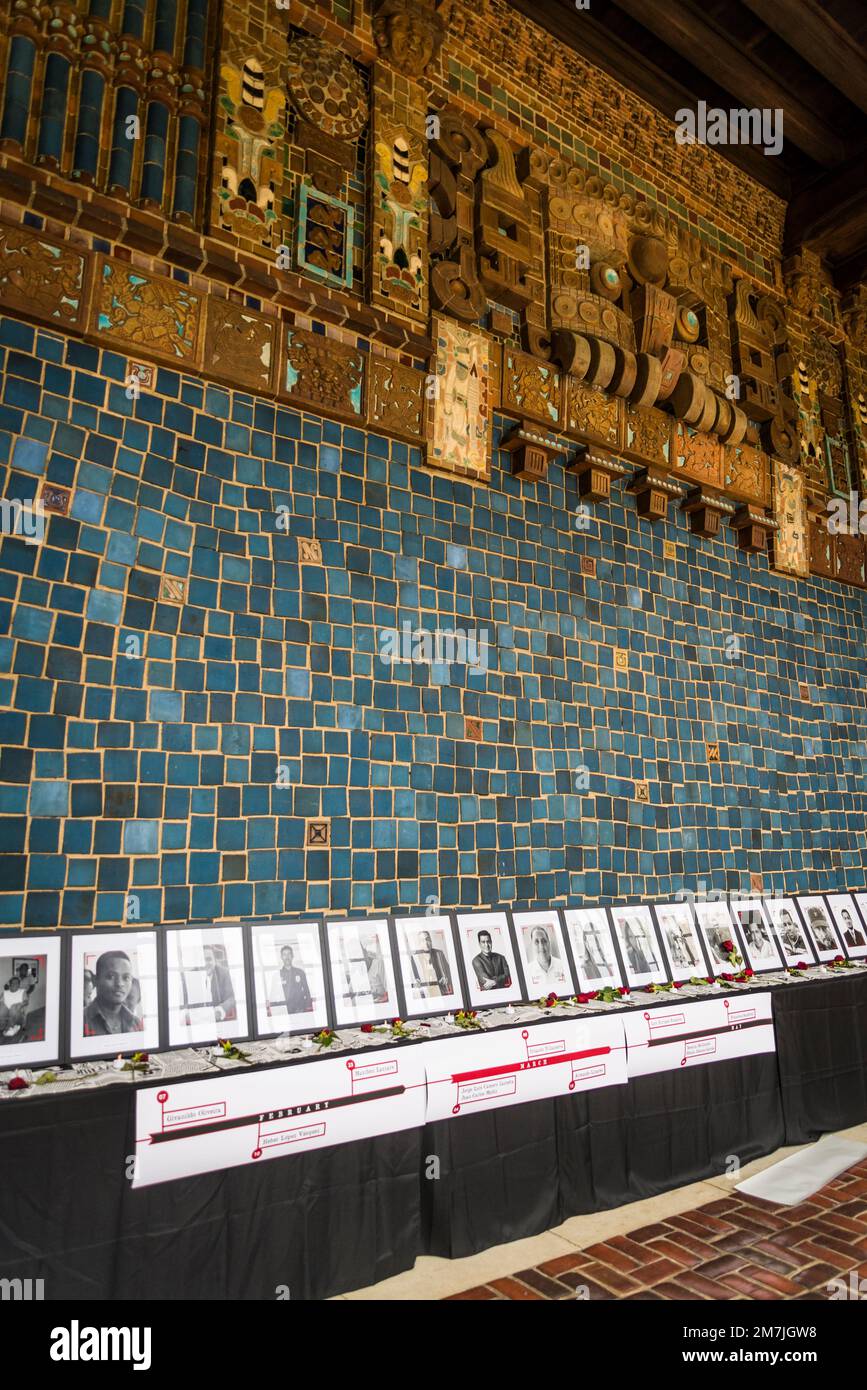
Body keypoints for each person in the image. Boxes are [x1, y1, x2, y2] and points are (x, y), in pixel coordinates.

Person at [83, 951, 143, 1037]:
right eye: (111, 976)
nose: (119, 984)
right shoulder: (81, 1019)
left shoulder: (136, 1023)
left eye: (126, 977)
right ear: (96, 980)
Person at [524, 925, 566, 992]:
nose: (541, 946)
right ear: (532, 945)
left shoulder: (563, 965)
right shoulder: (527, 971)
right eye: (536, 942)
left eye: (544, 941)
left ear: (549, 943)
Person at [410, 931, 452, 996]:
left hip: (440, 990)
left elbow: (449, 972)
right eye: (422, 941)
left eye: (427, 939)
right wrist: (416, 981)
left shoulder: (439, 953)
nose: (426, 943)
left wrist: (446, 977)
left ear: (431, 940)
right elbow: (413, 977)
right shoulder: (415, 957)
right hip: (425, 992)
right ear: (419, 943)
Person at [203, 945, 236, 1022]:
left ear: (215, 960)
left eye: (209, 959)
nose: (205, 963)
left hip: (218, 1019)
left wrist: (219, 1010)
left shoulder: (224, 973)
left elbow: (231, 997)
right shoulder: (191, 975)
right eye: (202, 960)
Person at [279, 944, 312, 1014]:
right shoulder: (278, 975)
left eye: (289, 954)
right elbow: (275, 994)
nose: (287, 957)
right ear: (281, 957)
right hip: (286, 1011)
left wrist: (308, 1008)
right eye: (284, 955)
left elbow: (307, 991)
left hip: (300, 1009)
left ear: (292, 956)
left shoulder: (300, 972)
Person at [363, 936, 388, 1002]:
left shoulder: (378, 964)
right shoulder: (357, 972)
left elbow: (390, 992)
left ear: (365, 952)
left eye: (357, 953)